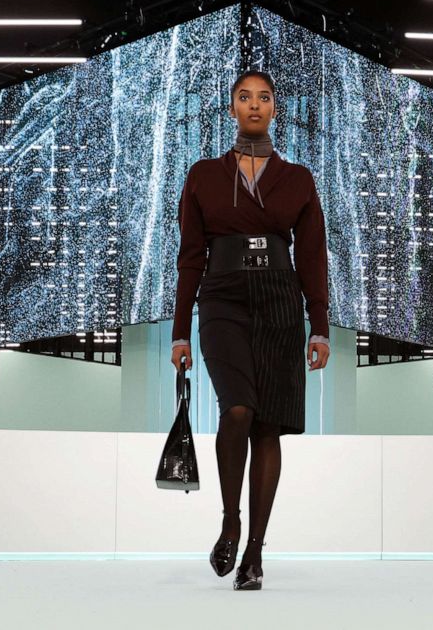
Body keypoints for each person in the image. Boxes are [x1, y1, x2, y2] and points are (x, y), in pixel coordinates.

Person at [170, 70, 330, 591]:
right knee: (237, 408)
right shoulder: (203, 176)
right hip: (222, 300)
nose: (254, 105)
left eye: (264, 97)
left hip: (281, 303)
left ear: (275, 109)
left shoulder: (298, 179)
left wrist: (320, 325)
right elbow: (190, 258)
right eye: (245, 97)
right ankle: (230, 519)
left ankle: (256, 553)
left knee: (268, 425)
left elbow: (311, 257)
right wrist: (178, 332)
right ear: (233, 108)